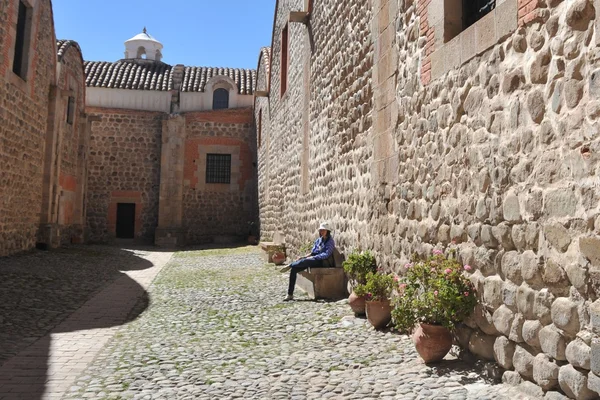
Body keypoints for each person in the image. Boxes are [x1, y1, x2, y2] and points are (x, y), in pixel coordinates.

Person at [280, 221, 335, 301]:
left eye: (323, 230)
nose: (322, 232)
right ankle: (290, 294)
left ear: (327, 231)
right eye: (321, 230)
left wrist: (314, 257)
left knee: (306, 261)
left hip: (322, 261)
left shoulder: (330, 242)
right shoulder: (319, 240)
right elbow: (313, 252)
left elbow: (326, 254)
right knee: (294, 269)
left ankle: (291, 264)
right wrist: (304, 257)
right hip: (313, 260)